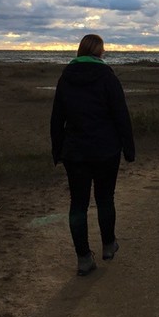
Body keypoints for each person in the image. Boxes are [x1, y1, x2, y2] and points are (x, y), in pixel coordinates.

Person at [50, 34, 135, 276]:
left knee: (78, 204)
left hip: (75, 152)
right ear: (100, 51)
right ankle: (108, 244)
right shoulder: (107, 76)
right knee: (105, 198)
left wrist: (57, 150)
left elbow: (57, 118)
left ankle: (84, 258)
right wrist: (129, 149)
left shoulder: (66, 76)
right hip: (106, 150)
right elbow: (121, 115)